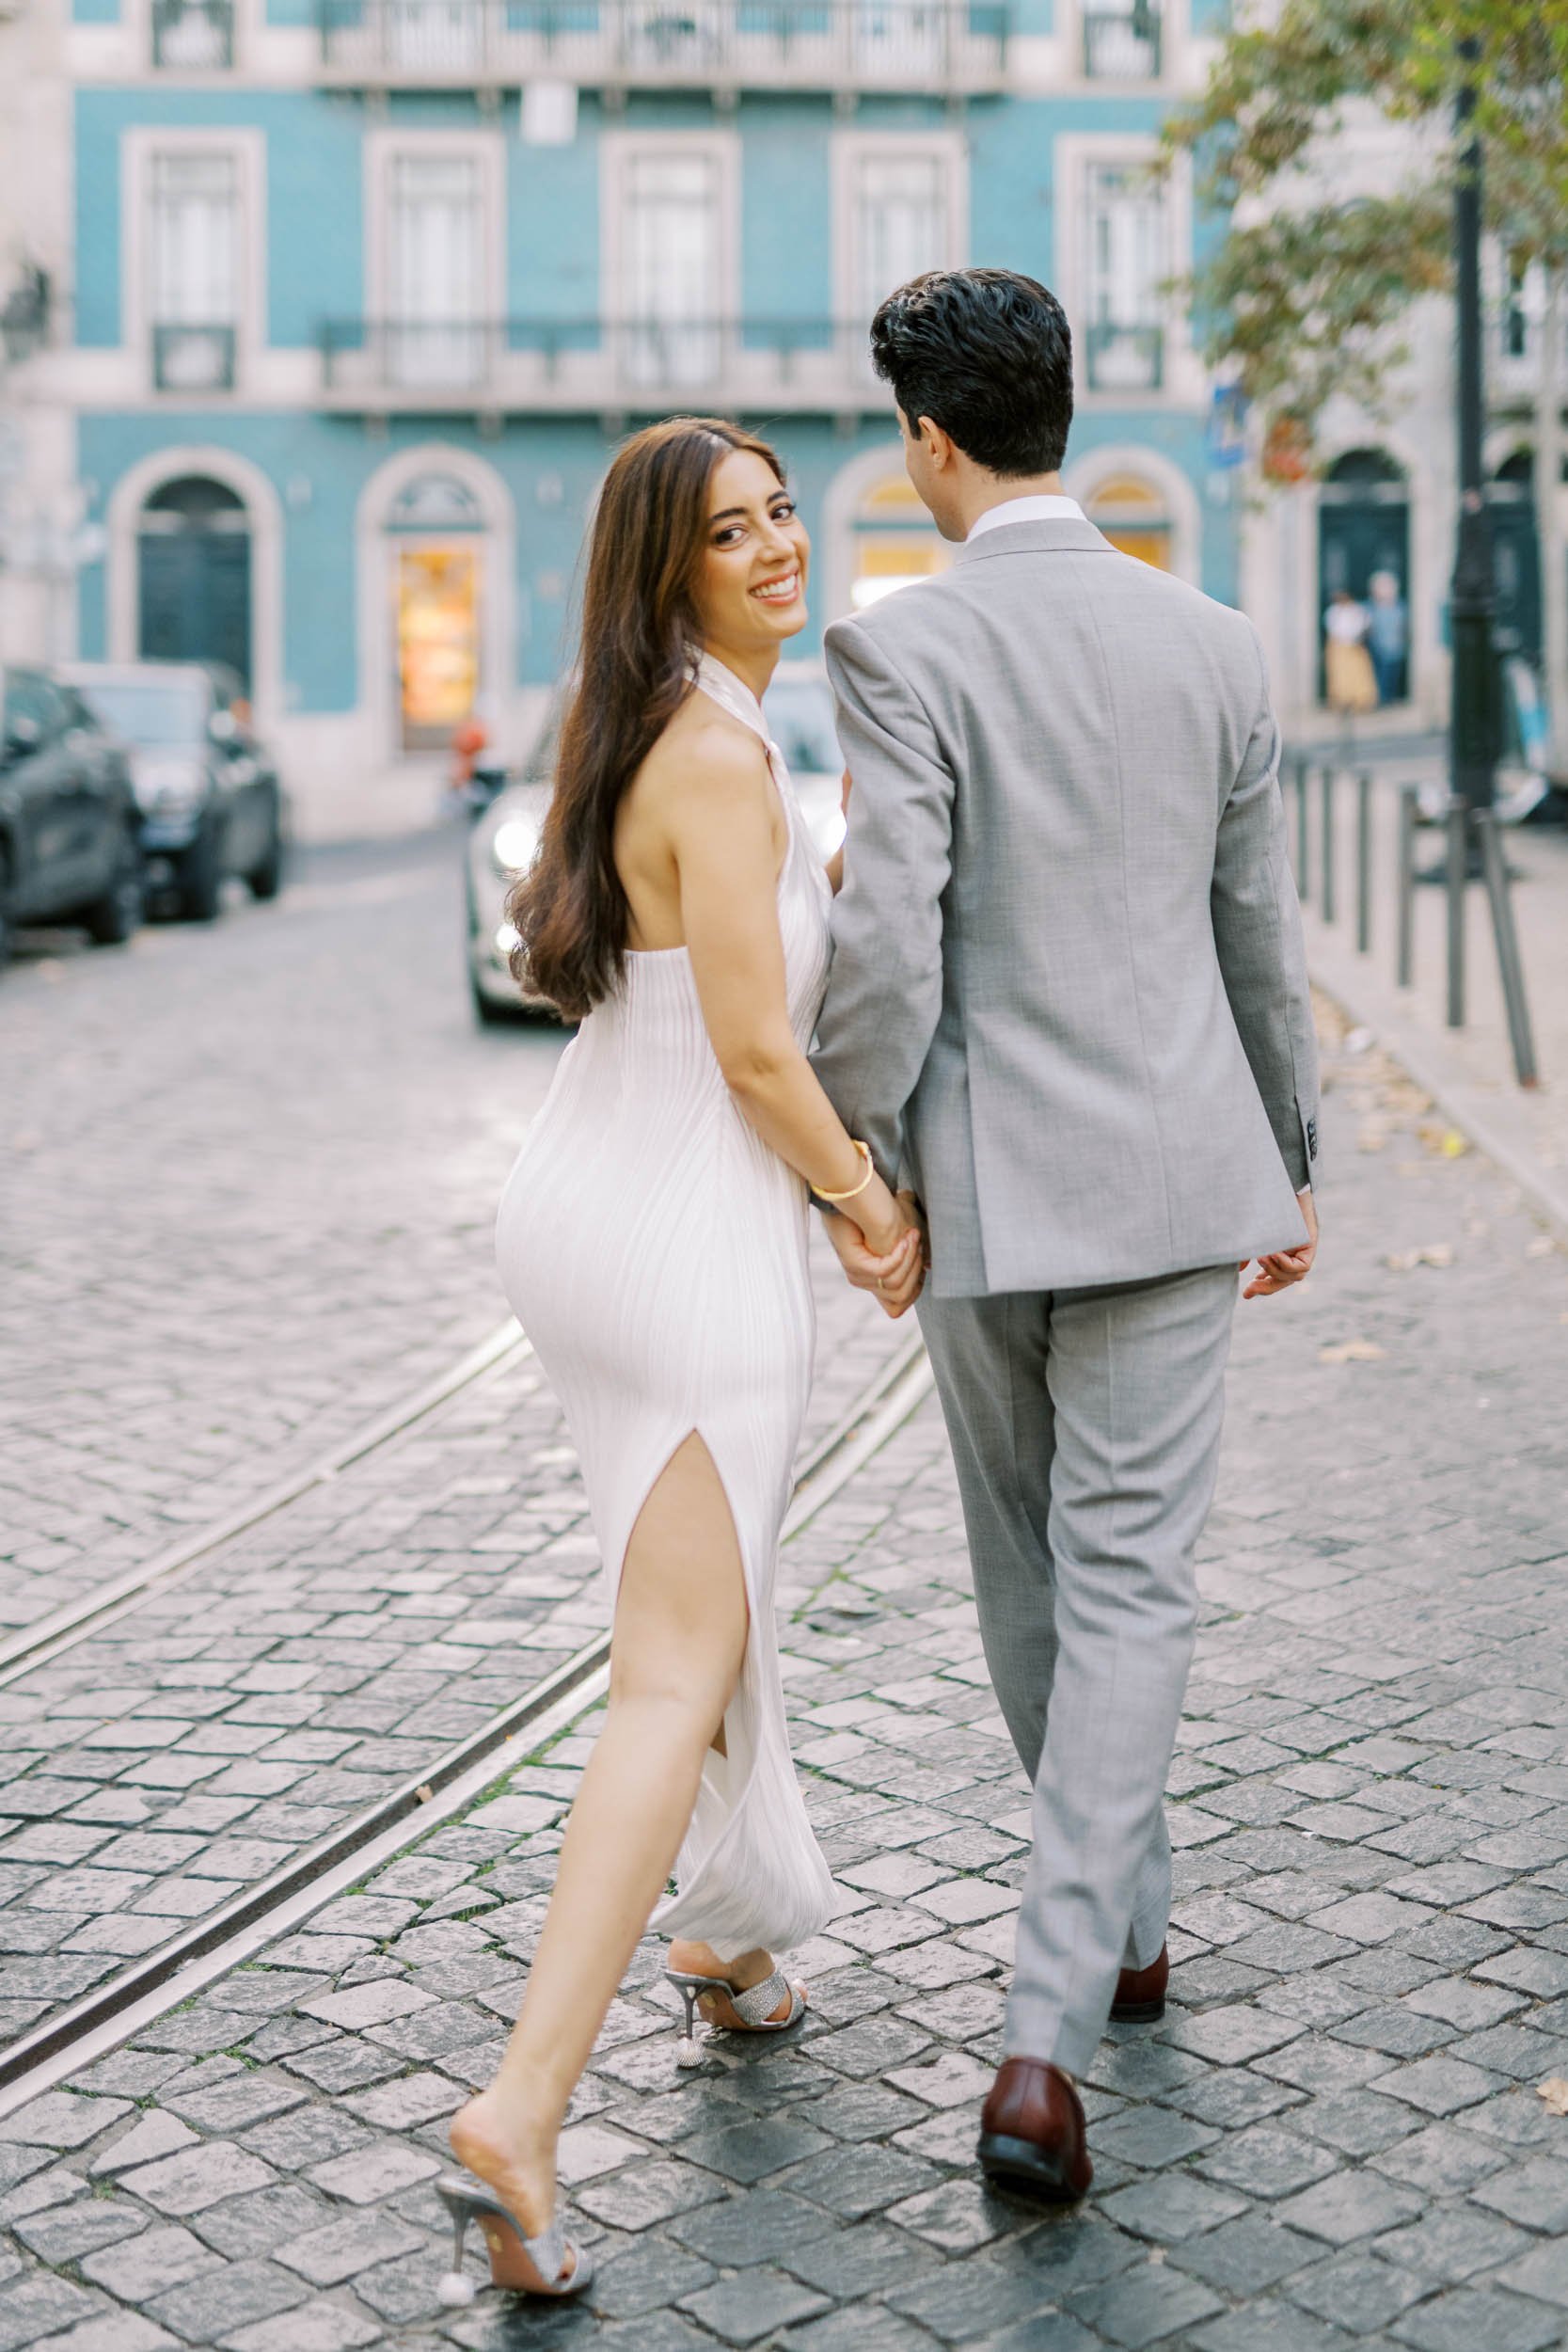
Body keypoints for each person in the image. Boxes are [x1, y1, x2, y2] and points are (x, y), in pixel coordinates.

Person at [811, 267, 1321, 2206]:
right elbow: (1252, 942)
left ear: (927, 440)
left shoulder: (900, 647)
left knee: (1030, 1574)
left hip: (979, 1197)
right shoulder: (1209, 641)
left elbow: (882, 952)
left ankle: (1040, 2042)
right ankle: (1114, 1922)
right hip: (1179, 1183)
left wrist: (861, 1153)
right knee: (1128, 1584)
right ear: (1060, 415)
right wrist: (1283, 1155)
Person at [433, 417, 924, 2303]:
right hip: (688, 1220)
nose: (779, 543)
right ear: (669, 570)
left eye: (783, 508)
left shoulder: (656, 733)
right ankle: (520, 2107)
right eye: (733, 531)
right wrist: (861, 1200)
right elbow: (746, 1045)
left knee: (698, 1595)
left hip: (593, 1194)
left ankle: (724, 1938)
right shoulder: (716, 757)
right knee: (671, 1662)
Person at [1323, 586, 1377, 718]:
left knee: (1358, 675)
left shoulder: (1357, 611)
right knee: (1339, 676)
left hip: (1355, 648)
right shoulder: (1333, 611)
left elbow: (1365, 627)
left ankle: (1360, 702)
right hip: (1339, 648)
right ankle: (1341, 701)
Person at [1365, 569, 1408, 707]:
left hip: (1395, 647)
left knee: (1391, 674)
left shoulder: (1400, 607)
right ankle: (1380, 698)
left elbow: (1403, 627)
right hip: (1376, 647)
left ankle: (1388, 697)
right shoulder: (1369, 606)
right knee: (1377, 674)